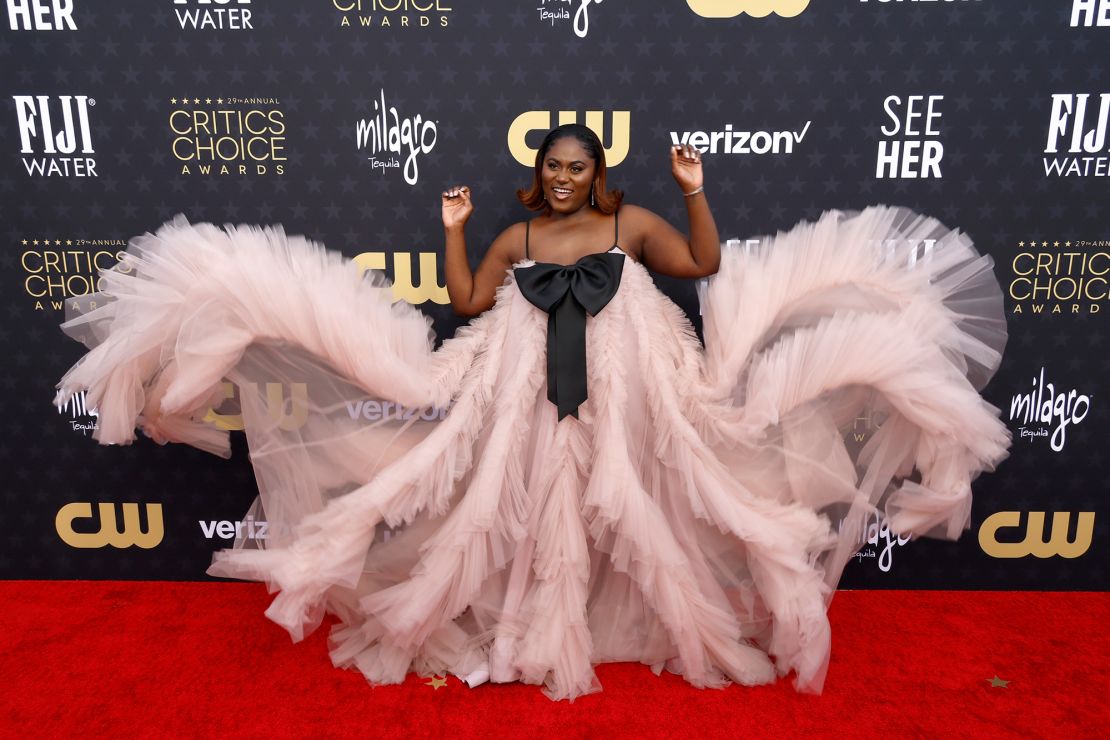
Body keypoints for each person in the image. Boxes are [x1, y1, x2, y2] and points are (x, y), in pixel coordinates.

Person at [55, 124, 1011, 701]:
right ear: (538, 172)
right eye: (551, 164)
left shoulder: (629, 225)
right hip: (518, 391)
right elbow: (470, 301)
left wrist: (693, 191)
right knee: (511, 503)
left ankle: (633, 622)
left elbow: (700, 265)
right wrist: (455, 228)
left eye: (576, 165)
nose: (563, 175)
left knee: (634, 497)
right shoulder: (517, 232)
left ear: (595, 174)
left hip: (632, 391)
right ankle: (523, 629)